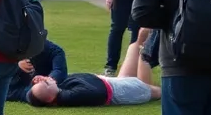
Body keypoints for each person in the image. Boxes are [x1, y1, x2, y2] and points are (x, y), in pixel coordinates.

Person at [24, 33, 160, 107]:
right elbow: (98, 92)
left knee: (134, 46)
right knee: (144, 54)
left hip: (112, 83)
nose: (48, 79)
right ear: (50, 98)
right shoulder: (68, 96)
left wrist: (46, 80)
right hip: (120, 90)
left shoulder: (61, 90)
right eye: (47, 83)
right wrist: (95, 78)